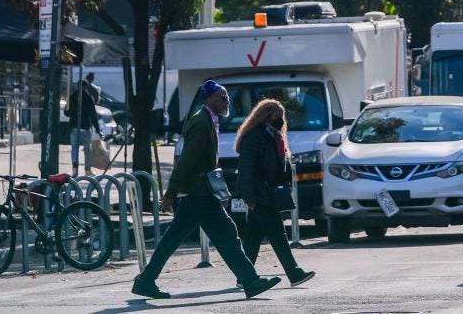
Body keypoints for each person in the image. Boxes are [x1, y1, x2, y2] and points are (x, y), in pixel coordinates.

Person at [132, 79, 280, 300]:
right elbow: (186, 162)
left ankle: (145, 280)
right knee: (228, 233)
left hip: (197, 192)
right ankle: (250, 280)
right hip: (199, 193)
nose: (226, 101)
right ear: (209, 99)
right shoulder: (201, 124)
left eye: (227, 97)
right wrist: (170, 194)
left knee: (172, 237)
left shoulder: (209, 120)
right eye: (222, 97)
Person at [236, 99, 314, 287]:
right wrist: (250, 197)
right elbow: (245, 170)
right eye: (276, 116)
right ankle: (294, 273)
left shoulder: (274, 136)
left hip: (267, 193)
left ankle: (243, 276)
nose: (280, 120)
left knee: (253, 236)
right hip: (259, 194)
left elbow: (279, 165)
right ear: (265, 116)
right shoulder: (255, 137)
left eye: (281, 116)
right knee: (278, 235)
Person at [69, 74, 102, 176]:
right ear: (86, 86)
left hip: (74, 127)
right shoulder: (88, 98)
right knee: (87, 149)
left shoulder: (72, 96)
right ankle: (87, 170)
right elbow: (93, 114)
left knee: (74, 148)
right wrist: (97, 129)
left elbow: (67, 112)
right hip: (85, 127)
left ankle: (74, 169)